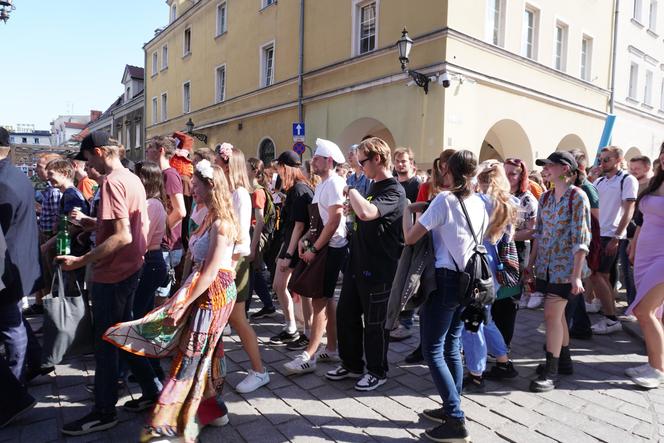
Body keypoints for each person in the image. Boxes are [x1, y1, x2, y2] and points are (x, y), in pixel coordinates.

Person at [103, 159, 239, 442]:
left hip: (212, 293)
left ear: (210, 186)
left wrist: (182, 301)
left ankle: (169, 425)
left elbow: (212, 270)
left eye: (196, 186)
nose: (193, 191)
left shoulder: (222, 223)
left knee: (191, 356)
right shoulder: (209, 217)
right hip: (205, 289)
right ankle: (214, 411)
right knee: (203, 354)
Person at [58, 132, 163, 436]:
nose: (87, 162)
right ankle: (153, 392)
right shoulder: (131, 178)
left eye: (88, 157)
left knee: (106, 344)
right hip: (129, 270)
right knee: (123, 337)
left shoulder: (113, 182)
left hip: (113, 273)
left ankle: (105, 412)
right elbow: (125, 227)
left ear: (100, 152)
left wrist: (81, 261)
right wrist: (93, 224)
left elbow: (123, 236)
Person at [402, 149, 495, 442]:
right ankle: (450, 405)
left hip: (444, 280)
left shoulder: (444, 199)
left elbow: (410, 237)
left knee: (432, 349)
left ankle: (455, 418)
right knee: (452, 346)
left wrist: (408, 211)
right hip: (468, 281)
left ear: (447, 171)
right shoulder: (478, 201)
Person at [327, 137, 405, 391]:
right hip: (357, 262)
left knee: (375, 323)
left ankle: (377, 370)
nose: (359, 167)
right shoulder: (372, 186)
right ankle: (352, 365)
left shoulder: (393, 189)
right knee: (346, 315)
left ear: (377, 159)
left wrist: (352, 191)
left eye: (362, 162)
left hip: (380, 267)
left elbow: (367, 213)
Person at [526, 151, 591, 392]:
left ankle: (550, 371)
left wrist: (576, 275)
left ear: (565, 169)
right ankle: (563, 362)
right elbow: (539, 234)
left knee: (551, 317)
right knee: (559, 316)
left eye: (550, 166)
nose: (545, 169)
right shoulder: (545, 198)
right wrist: (530, 264)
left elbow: (581, 238)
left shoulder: (577, 197)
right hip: (546, 266)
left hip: (566, 269)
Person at [284, 139, 348, 375]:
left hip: (331, 247)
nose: (313, 161)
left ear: (328, 162)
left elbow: (334, 221)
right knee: (327, 298)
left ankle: (309, 356)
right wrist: (305, 240)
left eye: (318, 159)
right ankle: (331, 349)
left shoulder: (333, 183)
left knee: (319, 300)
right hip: (325, 245)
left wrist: (314, 248)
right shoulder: (323, 183)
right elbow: (318, 221)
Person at [461, 160, 519, 394]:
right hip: (493, 268)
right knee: (485, 318)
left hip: (477, 267)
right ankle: (503, 361)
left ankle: (476, 373)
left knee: (472, 321)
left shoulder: (481, 202)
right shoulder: (509, 202)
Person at [216, 144, 270, 394]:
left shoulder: (239, 193)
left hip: (234, 263)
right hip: (226, 261)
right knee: (225, 318)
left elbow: (240, 236)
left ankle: (259, 371)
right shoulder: (229, 191)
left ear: (228, 165)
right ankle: (218, 366)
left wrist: (227, 265)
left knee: (237, 318)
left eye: (219, 162)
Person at [0, 127, 42, 426]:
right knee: (14, 321)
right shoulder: (15, 175)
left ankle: (14, 388)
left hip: (8, 265)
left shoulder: (3, 181)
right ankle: (33, 364)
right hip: (19, 260)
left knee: (11, 328)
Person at [625, 143, 664, 389]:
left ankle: (657, 369)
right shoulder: (656, 182)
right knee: (657, 313)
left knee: (644, 311)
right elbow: (643, 219)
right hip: (644, 255)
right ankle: (653, 361)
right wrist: (634, 246)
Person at [590, 146, 638, 335]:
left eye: (607, 159)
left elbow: (629, 210)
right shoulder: (600, 181)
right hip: (597, 234)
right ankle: (609, 314)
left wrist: (617, 237)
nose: (602, 163)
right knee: (602, 276)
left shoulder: (627, 179)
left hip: (611, 234)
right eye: (601, 159)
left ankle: (611, 318)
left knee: (597, 275)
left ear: (618, 160)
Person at [269, 151, 315, 347]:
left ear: (285, 167)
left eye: (279, 167)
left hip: (296, 245)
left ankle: (302, 332)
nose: (277, 172)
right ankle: (294, 329)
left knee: (296, 290)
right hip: (292, 243)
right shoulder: (298, 188)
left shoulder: (298, 190)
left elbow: (299, 225)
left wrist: (288, 255)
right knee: (282, 286)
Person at [132, 161, 169, 381]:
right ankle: (150, 368)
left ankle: (147, 370)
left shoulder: (151, 204)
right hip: (152, 262)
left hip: (150, 262)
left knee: (138, 317)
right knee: (143, 317)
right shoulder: (153, 203)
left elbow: (142, 240)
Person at [145, 136, 187, 303]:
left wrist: (160, 231)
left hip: (166, 246)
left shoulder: (169, 175)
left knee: (158, 297)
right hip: (161, 244)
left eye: (150, 147)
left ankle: (158, 329)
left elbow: (180, 210)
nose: (147, 150)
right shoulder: (161, 174)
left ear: (161, 150)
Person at [23, 153, 62, 316]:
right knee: (46, 275)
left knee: (52, 277)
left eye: (39, 166)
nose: (36, 169)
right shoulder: (49, 189)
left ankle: (52, 313)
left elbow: (58, 219)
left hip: (50, 238)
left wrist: (49, 241)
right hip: (46, 236)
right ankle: (46, 310)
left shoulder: (54, 192)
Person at [391, 147, 421, 341]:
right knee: (395, 282)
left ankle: (406, 323)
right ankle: (395, 319)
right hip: (394, 240)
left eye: (404, 161)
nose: (401, 164)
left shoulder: (417, 185)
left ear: (412, 164)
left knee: (408, 283)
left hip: (410, 240)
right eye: (398, 161)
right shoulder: (394, 184)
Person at [504, 158, 540, 312]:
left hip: (517, 250)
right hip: (498, 248)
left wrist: (509, 236)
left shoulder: (527, 199)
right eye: (504, 173)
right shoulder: (500, 195)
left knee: (509, 300)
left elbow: (533, 231)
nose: (507, 177)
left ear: (521, 176)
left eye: (512, 174)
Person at [246, 157, 277, 319]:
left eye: (246, 168)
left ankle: (243, 310)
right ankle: (269, 305)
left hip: (254, 235)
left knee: (250, 273)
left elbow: (259, 222)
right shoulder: (252, 190)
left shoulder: (258, 192)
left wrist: (253, 245)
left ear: (254, 171)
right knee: (256, 272)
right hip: (252, 235)